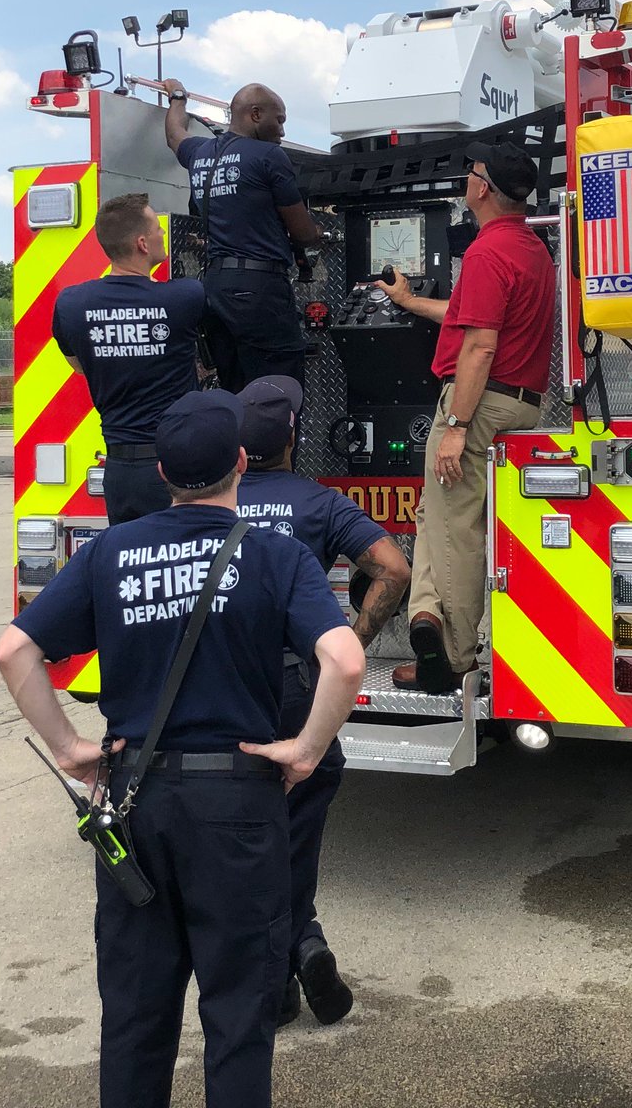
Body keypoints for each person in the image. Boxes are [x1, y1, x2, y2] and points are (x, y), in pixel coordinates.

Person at [0, 391, 366, 1108]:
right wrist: (305, 750)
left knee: (135, 1019)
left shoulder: (109, 552)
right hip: (239, 806)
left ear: (162, 472)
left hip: (136, 804)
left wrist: (69, 747)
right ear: (239, 463)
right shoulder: (278, 556)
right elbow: (346, 661)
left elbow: (15, 651)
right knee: (239, 1019)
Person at [234, 375, 412, 1028]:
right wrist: (353, 637)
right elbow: (394, 567)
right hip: (297, 696)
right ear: (294, 438)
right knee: (297, 833)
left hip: (228, 694)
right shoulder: (320, 504)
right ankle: (302, 941)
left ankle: (282, 973)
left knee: (241, 842)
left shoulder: (209, 504)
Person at [373, 138, 555, 693]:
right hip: (517, 401)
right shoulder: (529, 249)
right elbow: (465, 315)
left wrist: (455, 426)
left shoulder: (485, 252)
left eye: (471, 173)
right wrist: (409, 303)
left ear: (483, 189)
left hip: (477, 405)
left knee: (455, 528)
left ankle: (452, 660)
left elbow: (479, 345)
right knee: (436, 512)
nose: (466, 181)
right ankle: (427, 616)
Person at [51, 192, 205, 525]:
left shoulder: (71, 303)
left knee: (131, 554)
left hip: (119, 472)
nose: (162, 233)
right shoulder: (185, 296)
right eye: (157, 229)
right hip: (174, 469)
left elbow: (79, 367)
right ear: (142, 244)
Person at [164, 80, 321, 393]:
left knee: (235, 387)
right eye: (279, 120)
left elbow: (174, 135)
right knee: (280, 389)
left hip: (214, 289)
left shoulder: (199, 153)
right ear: (255, 114)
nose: (282, 131)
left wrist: (178, 97)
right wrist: (317, 232)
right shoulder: (269, 156)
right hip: (260, 290)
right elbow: (303, 234)